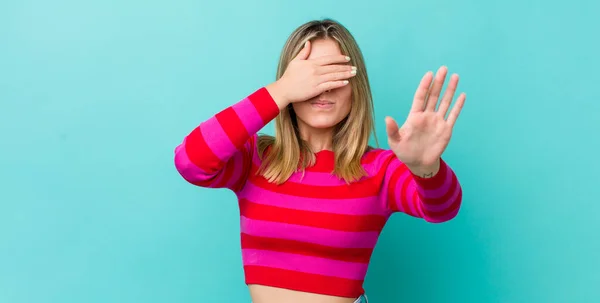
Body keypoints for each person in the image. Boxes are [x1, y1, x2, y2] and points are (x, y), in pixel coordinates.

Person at [173, 19, 465, 303]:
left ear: (355, 86)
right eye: (312, 76)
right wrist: (281, 91)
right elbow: (191, 162)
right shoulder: (255, 159)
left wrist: (425, 167)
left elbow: (443, 209)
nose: (324, 89)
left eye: (336, 75)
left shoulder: (381, 170)